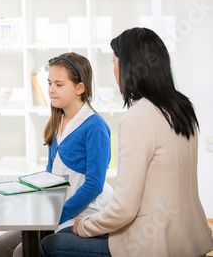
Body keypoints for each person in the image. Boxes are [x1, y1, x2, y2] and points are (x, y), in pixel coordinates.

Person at [41, 27, 213, 257]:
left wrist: (83, 225)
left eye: (114, 62)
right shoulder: (182, 108)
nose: (113, 70)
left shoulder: (138, 117)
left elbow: (123, 208)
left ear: (130, 67)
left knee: (49, 245)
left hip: (151, 243)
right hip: (188, 237)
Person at [0, 52, 113, 257]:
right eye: (49, 83)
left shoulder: (95, 127)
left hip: (85, 212)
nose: (50, 90)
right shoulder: (58, 120)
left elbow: (94, 185)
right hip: (58, 209)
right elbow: (51, 173)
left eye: (58, 84)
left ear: (79, 88)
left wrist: (54, 215)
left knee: (23, 251)